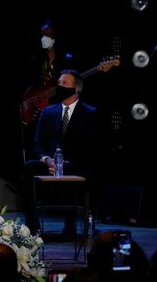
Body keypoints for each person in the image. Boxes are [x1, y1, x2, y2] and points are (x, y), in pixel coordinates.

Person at [23, 69, 100, 235]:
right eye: (58, 84)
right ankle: (31, 224)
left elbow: (92, 147)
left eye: (64, 84)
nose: (59, 88)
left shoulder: (90, 113)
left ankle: (71, 224)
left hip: (75, 164)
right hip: (50, 163)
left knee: (87, 170)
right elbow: (37, 144)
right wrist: (47, 160)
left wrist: (64, 163)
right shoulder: (48, 112)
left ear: (76, 89)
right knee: (29, 167)